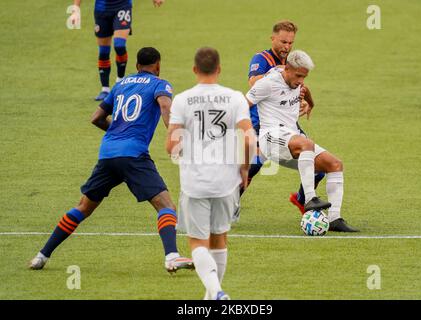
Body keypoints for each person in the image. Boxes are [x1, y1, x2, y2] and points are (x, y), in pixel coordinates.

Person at [29, 47, 194, 272]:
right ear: (158, 66)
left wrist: (116, 130)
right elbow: (165, 106)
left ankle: (41, 256)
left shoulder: (120, 84)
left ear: (136, 66)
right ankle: (172, 256)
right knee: (165, 205)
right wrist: (176, 139)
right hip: (134, 155)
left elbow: (96, 118)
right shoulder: (160, 84)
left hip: (107, 154)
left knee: (83, 207)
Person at [166, 47, 256, 299]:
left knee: (197, 242)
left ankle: (215, 292)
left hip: (195, 182)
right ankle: (213, 296)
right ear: (219, 69)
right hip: (226, 181)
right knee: (219, 239)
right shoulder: (235, 98)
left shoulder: (182, 100)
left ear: (195, 70)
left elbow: (171, 144)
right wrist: (245, 167)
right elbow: (249, 139)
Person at [246, 50, 359, 232]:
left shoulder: (296, 80)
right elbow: (243, 104)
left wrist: (310, 103)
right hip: (271, 138)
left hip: (290, 140)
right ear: (287, 68)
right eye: (298, 76)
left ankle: (334, 219)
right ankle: (309, 199)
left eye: (304, 77)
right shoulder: (267, 84)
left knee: (335, 164)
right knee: (307, 143)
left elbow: (305, 90)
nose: (300, 81)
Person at [242, 20, 327, 221]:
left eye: (290, 43)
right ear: (273, 38)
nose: (286, 47)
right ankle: (228, 207)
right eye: (283, 42)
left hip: (287, 124)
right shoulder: (262, 58)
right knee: (251, 167)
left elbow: (301, 85)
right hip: (260, 123)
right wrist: (282, 70)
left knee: (319, 165)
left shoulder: (293, 61)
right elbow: (254, 82)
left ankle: (303, 198)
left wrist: (307, 102)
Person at [68, 0, 166, 101]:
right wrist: (75, 10)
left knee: (119, 45)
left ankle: (120, 82)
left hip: (122, 7)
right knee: (103, 52)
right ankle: (105, 89)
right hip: (102, 10)